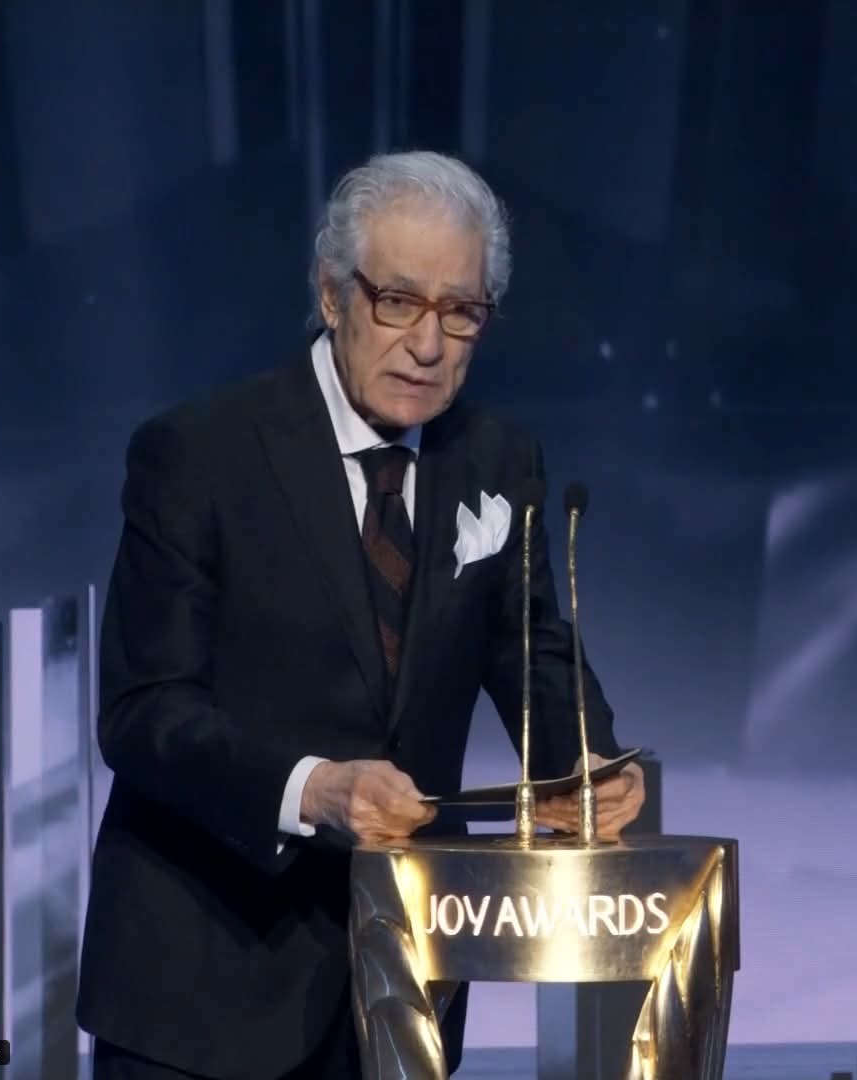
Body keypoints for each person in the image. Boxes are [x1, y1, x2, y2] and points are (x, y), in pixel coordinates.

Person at [77, 150, 647, 1080]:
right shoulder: (200, 455)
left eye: (460, 312)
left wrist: (583, 760)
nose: (428, 344)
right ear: (332, 294)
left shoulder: (498, 459)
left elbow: (531, 646)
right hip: (203, 988)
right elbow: (144, 713)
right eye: (398, 301)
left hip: (402, 980)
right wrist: (313, 789)